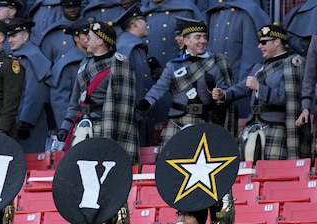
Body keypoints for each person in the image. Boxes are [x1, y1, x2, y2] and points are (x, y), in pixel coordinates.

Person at [213, 23, 304, 161]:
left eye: (263, 42)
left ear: (277, 42)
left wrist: (259, 88)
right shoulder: (259, 67)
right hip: (252, 126)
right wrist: (224, 94)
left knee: (273, 173)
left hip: (276, 127)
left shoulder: (293, 63)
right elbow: (242, 87)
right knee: (245, 170)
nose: (259, 46)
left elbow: (290, 99)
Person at [139, 18, 234, 146]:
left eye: (205, 37)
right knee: (166, 160)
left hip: (204, 119)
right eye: (198, 37)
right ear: (186, 41)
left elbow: (225, 91)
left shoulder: (215, 64)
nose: (203, 41)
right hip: (178, 120)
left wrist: (221, 94)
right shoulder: (173, 66)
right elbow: (160, 87)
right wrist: (148, 101)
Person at [59, 21, 138, 164]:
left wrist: (111, 139)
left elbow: (123, 107)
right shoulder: (85, 64)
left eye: (89, 37)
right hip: (83, 125)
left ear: (100, 41)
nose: (85, 40)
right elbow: (75, 101)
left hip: (106, 126)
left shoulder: (119, 63)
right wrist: (66, 126)